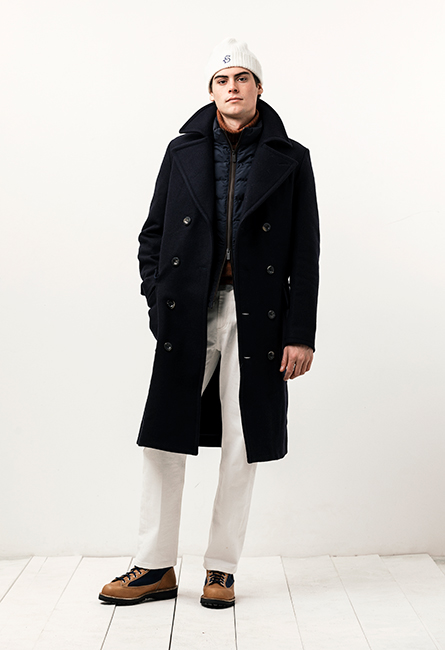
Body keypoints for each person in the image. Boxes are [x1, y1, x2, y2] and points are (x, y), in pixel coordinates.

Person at [99, 37, 320, 609]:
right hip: (187, 312)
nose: (232, 87)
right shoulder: (182, 151)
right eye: (222, 80)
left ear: (259, 88)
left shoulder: (292, 158)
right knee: (161, 438)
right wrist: (158, 300)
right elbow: (153, 234)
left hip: (258, 316)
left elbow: (305, 252)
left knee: (242, 442)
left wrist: (300, 333)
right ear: (211, 91)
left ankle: (221, 570)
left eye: (242, 78)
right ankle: (154, 566)